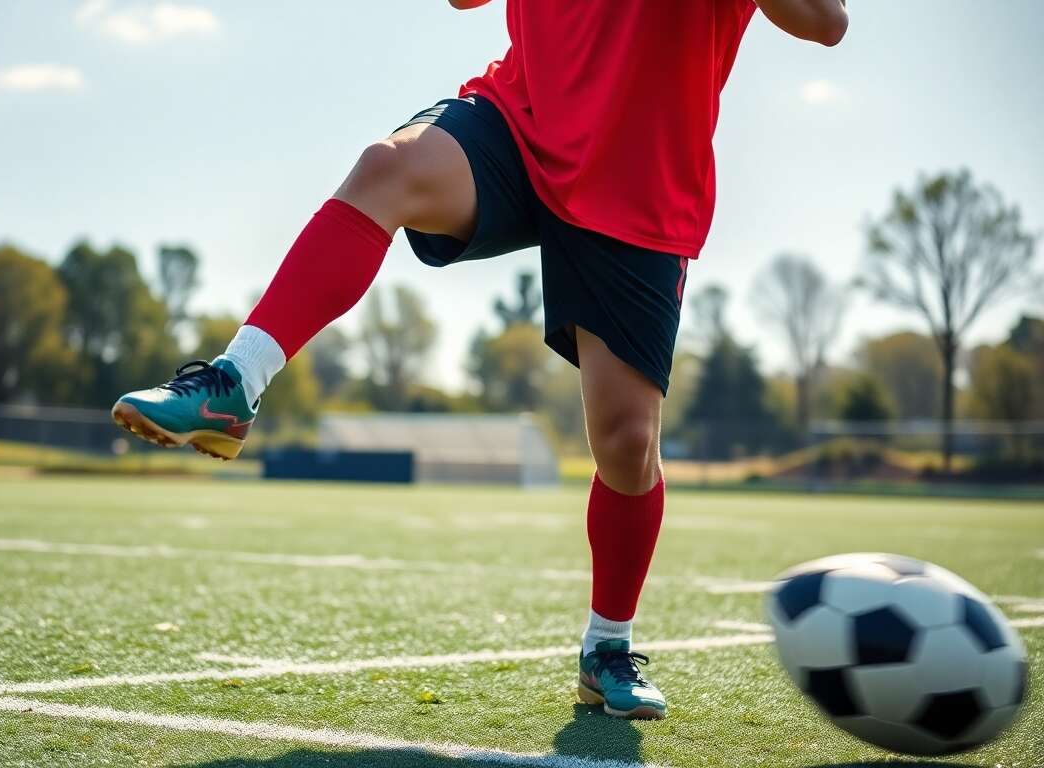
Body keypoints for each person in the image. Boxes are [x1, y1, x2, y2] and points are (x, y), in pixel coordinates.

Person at [112, 0, 848, 720]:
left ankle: (607, 646)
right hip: (523, 119)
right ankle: (234, 381)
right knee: (388, 168)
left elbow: (827, 20)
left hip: (641, 170)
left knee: (627, 443)